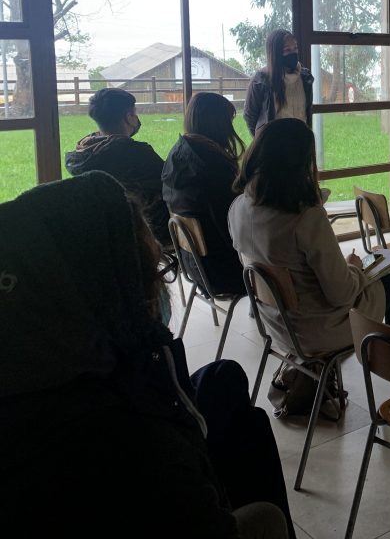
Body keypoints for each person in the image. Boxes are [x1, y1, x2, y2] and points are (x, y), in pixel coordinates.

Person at [0, 171, 292, 538]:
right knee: (266, 511)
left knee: (223, 380)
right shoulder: (134, 446)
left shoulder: (40, 359)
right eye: (152, 271)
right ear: (116, 289)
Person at [228, 118, 390, 357]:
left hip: (276, 324)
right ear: (300, 164)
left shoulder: (238, 208)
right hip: (320, 329)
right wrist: (354, 267)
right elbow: (342, 294)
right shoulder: (305, 218)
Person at [162, 92, 247, 296]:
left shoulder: (179, 154)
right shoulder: (212, 166)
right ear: (219, 123)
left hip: (194, 264)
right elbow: (234, 225)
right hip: (225, 272)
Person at [66, 86, 171, 248]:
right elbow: (171, 181)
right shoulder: (137, 153)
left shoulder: (81, 156)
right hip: (149, 230)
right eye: (134, 114)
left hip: (108, 232)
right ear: (129, 117)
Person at [243, 29, 313, 136]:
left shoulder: (305, 78)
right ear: (275, 53)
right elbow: (250, 115)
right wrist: (262, 141)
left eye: (295, 48)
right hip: (272, 147)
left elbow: (307, 113)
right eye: (287, 50)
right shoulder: (261, 79)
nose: (293, 53)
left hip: (300, 143)